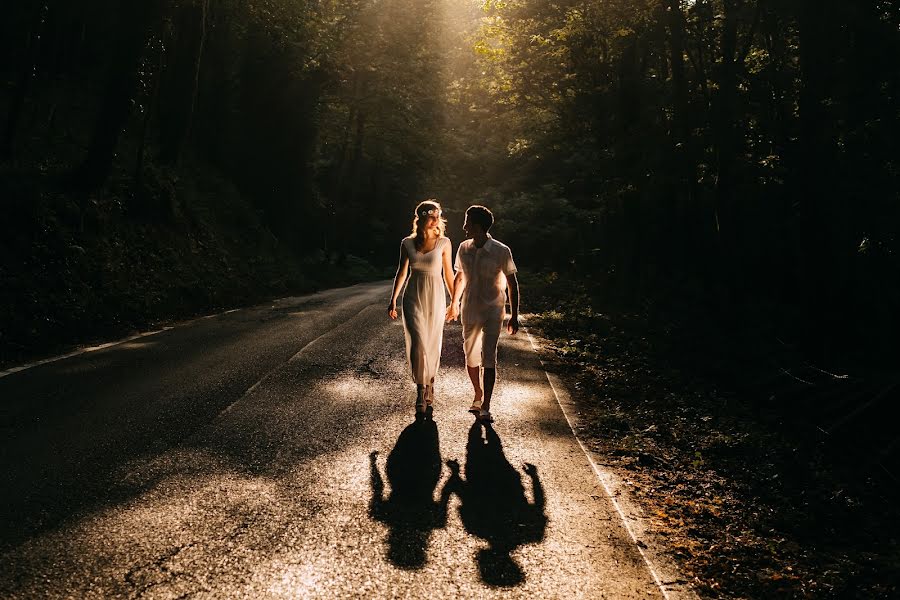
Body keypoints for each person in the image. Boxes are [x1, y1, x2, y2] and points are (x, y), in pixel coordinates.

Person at [445, 205, 519, 423]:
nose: (464, 227)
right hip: (470, 309)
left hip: (493, 310)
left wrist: (514, 315)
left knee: (489, 356)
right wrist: (453, 303)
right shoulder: (463, 248)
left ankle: (486, 404)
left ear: (477, 226)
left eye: (467, 222)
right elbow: (460, 277)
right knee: (470, 355)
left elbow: (512, 285)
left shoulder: (501, 250)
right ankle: (477, 392)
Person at [388, 200, 454, 417]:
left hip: (435, 296)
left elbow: (448, 274)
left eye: (437, 216)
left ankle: (430, 384)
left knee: (432, 341)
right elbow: (402, 272)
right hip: (413, 295)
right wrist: (393, 299)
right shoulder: (407, 243)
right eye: (432, 216)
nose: (436, 220)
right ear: (422, 218)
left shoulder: (444, 243)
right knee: (418, 341)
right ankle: (419, 390)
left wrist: (455, 301)